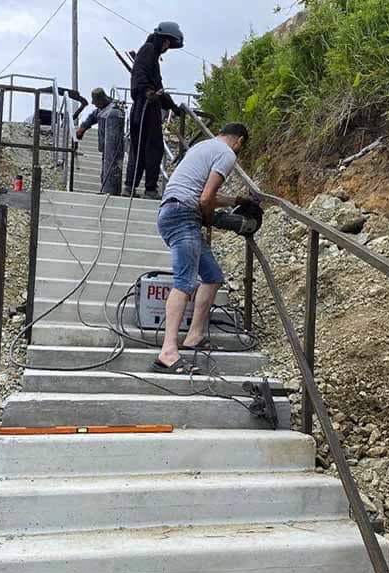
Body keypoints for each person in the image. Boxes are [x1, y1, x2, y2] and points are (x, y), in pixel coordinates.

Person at [152, 123, 255, 374]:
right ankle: (167, 351)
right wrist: (210, 218)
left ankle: (194, 336)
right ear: (239, 141)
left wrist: (234, 201)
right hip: (183, 215)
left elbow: (200, 191)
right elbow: (206, 199)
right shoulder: (227, 153)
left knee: (212, 277)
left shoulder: (203, 147)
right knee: (184, 282)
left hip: (174, 211)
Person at [125, 21, 184, 200]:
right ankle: (149, 188)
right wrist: (146, 91)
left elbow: (158, 88)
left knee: (142, 148)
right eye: (166, 42)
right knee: (152, 148)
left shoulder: (151, 54)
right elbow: (140, 77)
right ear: (161, 39)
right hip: (145, 107)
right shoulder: (148, 50)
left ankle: (131, 186)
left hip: (147, 106)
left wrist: (173, 107)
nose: (167, 47)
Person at [76, 88, 125, 195]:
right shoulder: (101, 109)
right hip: (105, 146)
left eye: (97, 103)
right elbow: (92, 117)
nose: (95, 106)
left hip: (114, 148)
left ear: (102, 100)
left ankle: (111, 192)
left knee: (113, 169)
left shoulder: (114, 109)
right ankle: (105, 190)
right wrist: (83, 128)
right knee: (104, 172)